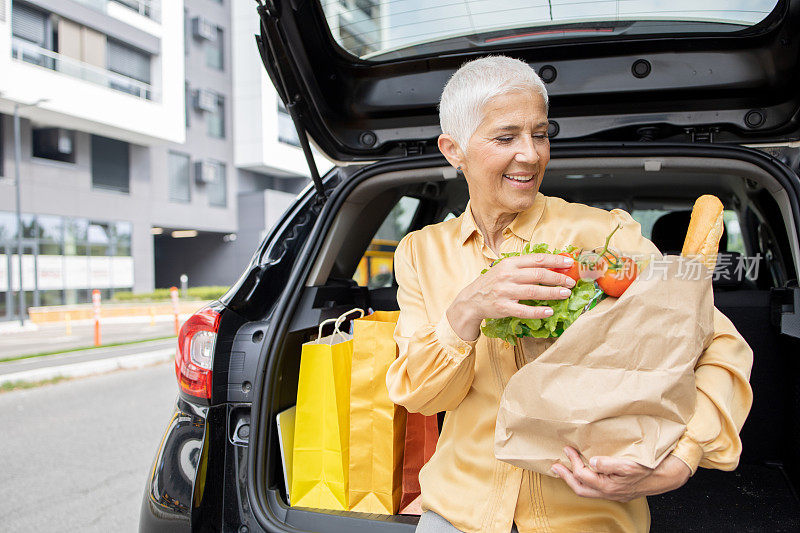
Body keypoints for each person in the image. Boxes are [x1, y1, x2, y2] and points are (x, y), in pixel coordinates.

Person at [385, 55, 753, 533]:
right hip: (457, 511)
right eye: (505, 137)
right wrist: (469, 308)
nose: (532, 154)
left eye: (540, 134)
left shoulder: (602, 235)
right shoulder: (420, 251)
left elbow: (717, 344)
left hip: (587, 511)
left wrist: (684, 455)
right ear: (453, 150)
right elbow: (424, 395)